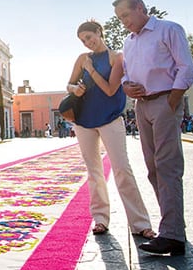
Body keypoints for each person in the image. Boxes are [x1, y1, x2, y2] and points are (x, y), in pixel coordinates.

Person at [115, 0, 193, 256]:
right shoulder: (128, 42)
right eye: (120, 18)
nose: (124, 22)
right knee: (152, 169)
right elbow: (126, 73)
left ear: (140, 8)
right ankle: (174, 228)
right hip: (142, 105)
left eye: (126, 15)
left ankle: (172, 234)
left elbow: (186, 66)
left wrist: (173, 99)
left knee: (168, 166)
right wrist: (127, 86)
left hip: (164, 100)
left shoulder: (168, 29)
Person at [66, 19, 155, 238]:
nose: (87, 43)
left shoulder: (117, 57)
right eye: (82, 40)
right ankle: (100, 219)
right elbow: (68, 84)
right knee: (93, 171)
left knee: (122, 169)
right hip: (84, 121)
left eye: (89, 37)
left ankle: (140, 223)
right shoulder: (81, 58)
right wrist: (75, 89)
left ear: (99, 32)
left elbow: (109, 89)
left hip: (111, 119)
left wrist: (91, 70)